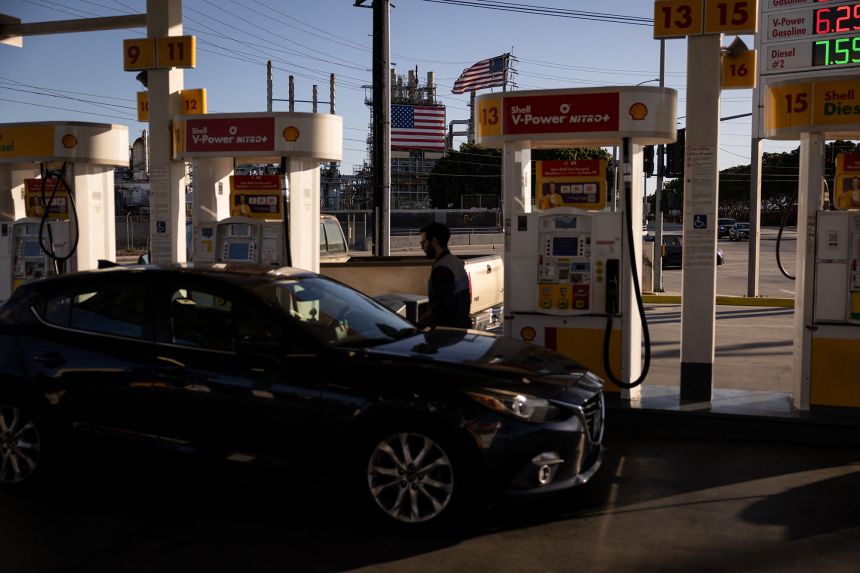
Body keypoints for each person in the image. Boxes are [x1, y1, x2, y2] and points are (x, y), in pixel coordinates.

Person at [417, 222, 471, 329]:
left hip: (447, 332)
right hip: (461, 328)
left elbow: (442, 307)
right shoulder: (455, 262)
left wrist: (421, 320)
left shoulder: (442, 269)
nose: (422, 247)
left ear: (434, 242)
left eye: (424, 242)